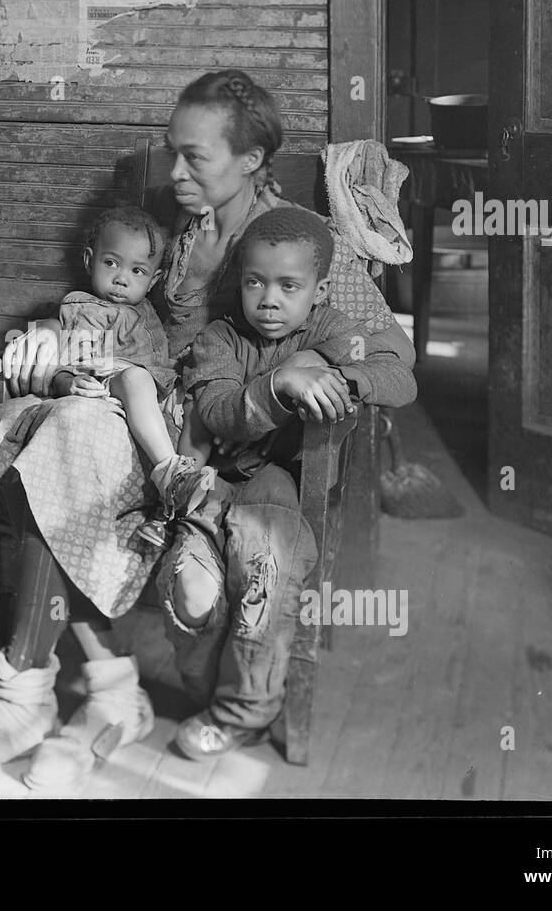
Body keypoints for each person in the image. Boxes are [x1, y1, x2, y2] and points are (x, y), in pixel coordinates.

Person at [0, 69, 415, 788]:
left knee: (64, 438)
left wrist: (318, 371)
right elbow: (122, 322)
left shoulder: (300, 246)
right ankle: (93, 691)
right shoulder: (179, 233)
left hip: (218, 453)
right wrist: (50, 336)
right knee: (35, 419)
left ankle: (32, 697)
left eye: (197, 156)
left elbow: (388, 354)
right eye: (172, 151)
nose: (175, 171)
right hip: (145, 416)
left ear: (252, 161)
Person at [161, 206, 417, 759]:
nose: (269, 299)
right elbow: (223, 413)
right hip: (209, 488)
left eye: (289, 285)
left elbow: (400, 378)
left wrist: (341, 377)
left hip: (275, 483)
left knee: (265, 567)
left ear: (320, 290)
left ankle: (245, 713)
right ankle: (207, 689)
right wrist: (280, 383)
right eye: (256, 281)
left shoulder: (332, 331)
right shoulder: (218, 339)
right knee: (192, 591)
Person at [52, 207, 216, 550]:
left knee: (199, 402)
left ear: (153, 281)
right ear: (89, 260)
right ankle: (169, 471)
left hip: (152, 385)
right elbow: (74, 360)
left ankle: (169, 510)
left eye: (137, 270)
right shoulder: (87, 307)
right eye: (111, 263)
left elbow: (161, 360)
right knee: (136, 377)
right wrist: (69, 381)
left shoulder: (146, 311)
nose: (121, 278)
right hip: (108, 382)